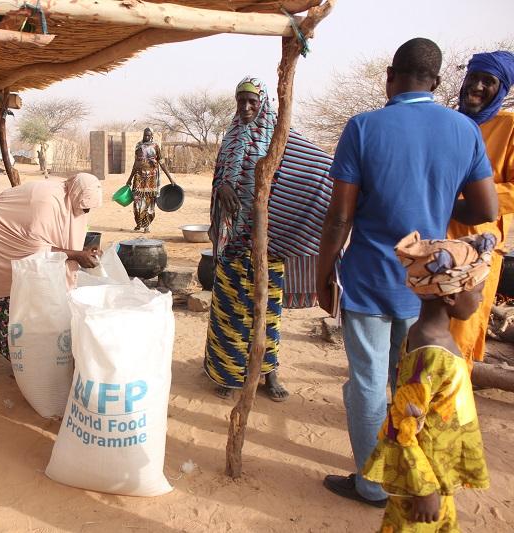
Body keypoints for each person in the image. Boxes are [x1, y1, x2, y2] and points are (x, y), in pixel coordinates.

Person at [317, 37, 497, 507]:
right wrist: (434, 198)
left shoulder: (363, 127)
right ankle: (407, 475)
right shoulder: (464, 129)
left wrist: (321, 272)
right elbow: (485, 207)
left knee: (368, 382)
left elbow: (340, 216)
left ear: (390, 77)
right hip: (425, 283)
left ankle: (372, 484)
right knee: (410, 378)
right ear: (437, 82)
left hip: (370, 276)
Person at [204, 75, 335, 402]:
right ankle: (230, 374)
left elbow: (319, 167)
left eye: (252, 101)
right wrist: (222, 187)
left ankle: (268, 372)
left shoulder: (280, 136)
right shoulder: (231, 137)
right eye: (241, 101)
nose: (246, 107)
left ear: (262, 103)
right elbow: (219, 178)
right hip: (232, 242)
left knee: (266, 311)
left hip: (267, 242)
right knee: (231, 311)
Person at [363, 231, 492, 531]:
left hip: (438, 474)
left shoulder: (426, 335)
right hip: (424, 483)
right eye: (478, 290)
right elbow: (401, 427)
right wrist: (423, 489)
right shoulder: (432, 354)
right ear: (451, 295)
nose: (482, 298)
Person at [0, 173, 103, 360]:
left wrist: (85, 251)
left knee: (33, 286)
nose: (86, 212)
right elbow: (37, 249)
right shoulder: (47, 203)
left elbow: (63, 238)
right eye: (85, 207)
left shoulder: (71, 201)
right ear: (75, 193)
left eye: (89, 208)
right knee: (18, 285)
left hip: (23, 233)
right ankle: (21, 358)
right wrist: (76, 255)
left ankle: (31, 358)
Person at [447, 51, 514, 366]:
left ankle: (443, 410)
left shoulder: (509, 127)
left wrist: (468, 200)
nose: (475, 87)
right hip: (431, 242)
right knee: (419, 330)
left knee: (461, 333)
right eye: (472, 78)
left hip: (477, 248)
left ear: (502, 89)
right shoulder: (448, 123)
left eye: (488, 81)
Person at [125, 127, 175, 232]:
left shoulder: (156, 146)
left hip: (152, 178)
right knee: (137, 201)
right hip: (139, 176)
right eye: (145, 134)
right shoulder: (138, 146)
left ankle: (147, 225)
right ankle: (139, 223)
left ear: (152, 135)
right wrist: (129, 179)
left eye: (148, 135)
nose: (146, 137)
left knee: (149, 202)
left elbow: (161, 162)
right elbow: (136, 163)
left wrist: (170, 178)